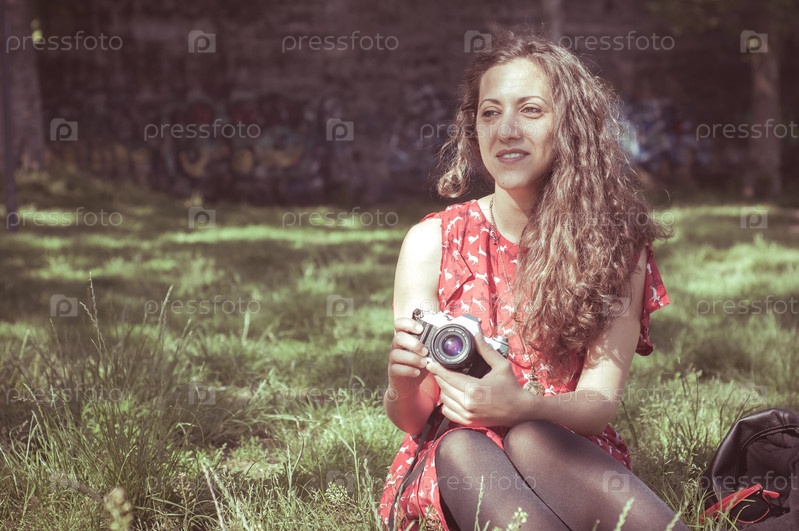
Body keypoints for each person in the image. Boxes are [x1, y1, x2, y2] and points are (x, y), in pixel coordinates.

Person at [378, 29, 687, 531]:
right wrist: (401, 384)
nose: (506, 130)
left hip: (563, 446)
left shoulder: (615, 246)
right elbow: (414, 418)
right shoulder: (431, 242)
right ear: (473, 129)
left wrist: (523, 405)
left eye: (531, 110)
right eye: (490, 112)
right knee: (461, 444)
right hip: (460, 461)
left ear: (569, 125)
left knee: (531, 435)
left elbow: (598, 403)